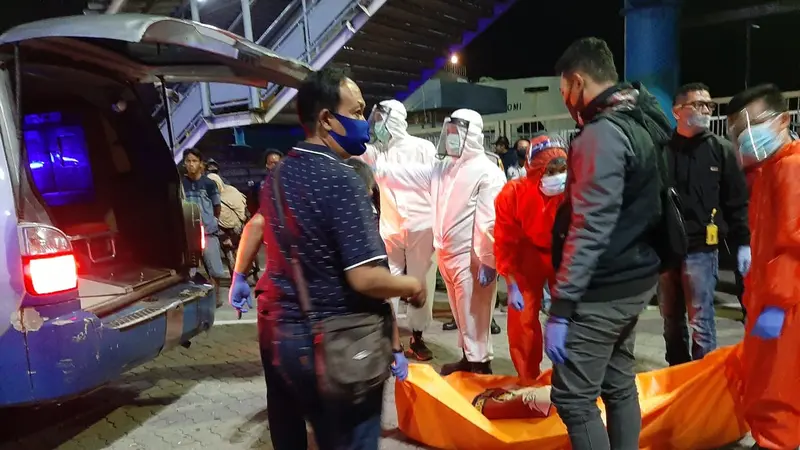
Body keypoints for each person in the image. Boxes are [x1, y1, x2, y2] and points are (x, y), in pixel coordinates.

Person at [227, 67, 424, 450]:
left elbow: (260, 227)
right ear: (326, 119)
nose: (363, 122)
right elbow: (365, 278)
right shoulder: (343, 178)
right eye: (356, 111)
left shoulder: (278, 174)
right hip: (339, 343)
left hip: (282, 337)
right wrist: (412, 285)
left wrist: (239, 277)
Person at [546, 37, 665, 449]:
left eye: (564, 91)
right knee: (617, 382)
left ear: (578, 82)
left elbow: (590, 226)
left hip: (604, 287)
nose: (566, 101)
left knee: (573, 399)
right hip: (635, 276)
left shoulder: (602, 134)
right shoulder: (641, 118)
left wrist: (561, 308)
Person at [375, 108, 506, 375]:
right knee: (461, 315)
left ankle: (480, 366)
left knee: (475, 317)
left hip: (471, 259)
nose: (450, 138)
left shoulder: (487, 172)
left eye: (455, 133)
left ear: (471, 135)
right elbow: (405, 175)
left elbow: (488, 222)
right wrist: (373, 165)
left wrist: (488, 261)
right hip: (447, 256)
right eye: (449, 132)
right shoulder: (443, 168)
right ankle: (469, 359)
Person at [726, 84, 800, 450]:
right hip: (771, 300)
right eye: (737, 131)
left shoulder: (791, 168)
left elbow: (791, 246)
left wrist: (773, 301)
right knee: (765, 384)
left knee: (776, 390)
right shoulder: (769, 171)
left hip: (783, 305)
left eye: (752, 126)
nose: (744, 138)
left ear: (783, 120)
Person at [658, 83, 751, 366]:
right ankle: (677, 374)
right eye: (698, 104)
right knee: (671, 319)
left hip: (703, 249)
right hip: (666, 250)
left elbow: (737, 203)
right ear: (677, 111)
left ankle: (702, 377)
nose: (706, 110)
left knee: (701, 319)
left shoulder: (720, 150)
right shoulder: (661, 152)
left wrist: (743, 243)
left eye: (708, 105)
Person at [357, 99, 438, 361]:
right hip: (391, 227)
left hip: (421, 226)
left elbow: (435, 183)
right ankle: (389, 336)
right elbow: (357, 153)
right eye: (375, 120)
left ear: (394, 120)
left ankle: (418, 336)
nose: (377, 125)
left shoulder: (423, 148)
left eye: (381, 120)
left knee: (420, 280)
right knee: (387, 281)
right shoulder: (379, 152)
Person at [494, 134, 567, 381]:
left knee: (572, 315)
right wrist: (511, 282)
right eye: (551, 169)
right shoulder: (513, 194)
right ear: (536, 169)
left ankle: (571, 376)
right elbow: (505, 241)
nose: (558, 175)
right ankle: (528, 378)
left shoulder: (573, 193)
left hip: (563, 253)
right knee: (522, 322)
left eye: (562, 168)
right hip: (528, 253)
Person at [182, 148, 225, 307]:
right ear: (184, 164)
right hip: (189, 235)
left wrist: (211, 221)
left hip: (208, 232)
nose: (191, 164)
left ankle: (216, 297)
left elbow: (217, 207)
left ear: (201, 164)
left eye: (194, 161)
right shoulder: (181, 184)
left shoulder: (209, 183)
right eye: (188, 161)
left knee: (214, 269)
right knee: (189, 269)